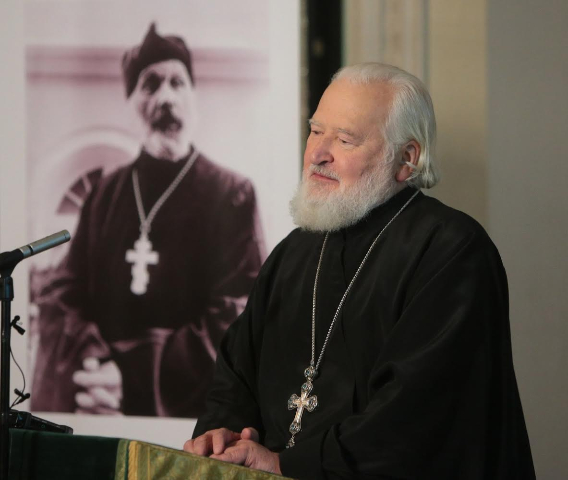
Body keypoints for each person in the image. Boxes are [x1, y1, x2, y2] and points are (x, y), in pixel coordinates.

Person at [183, 63, 535, 479]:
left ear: (406, 159)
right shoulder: (294, 252)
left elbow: (420, 412)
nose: (318, 153)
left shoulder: (451, 251)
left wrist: (285, 465)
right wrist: (222, 431)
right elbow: (236, 373)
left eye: (344, 139)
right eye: (316, 131)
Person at [30, 23, 265, 418]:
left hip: (189, 420)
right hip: (100, 408)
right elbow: (61, 296)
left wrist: (132, 380)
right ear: (131, 104)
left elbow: (238, 314)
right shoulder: (103, 196)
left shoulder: (232, 194)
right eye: (150, 85)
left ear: (193, 98)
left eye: (177, 83)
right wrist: (93, 364)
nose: (166, 98)